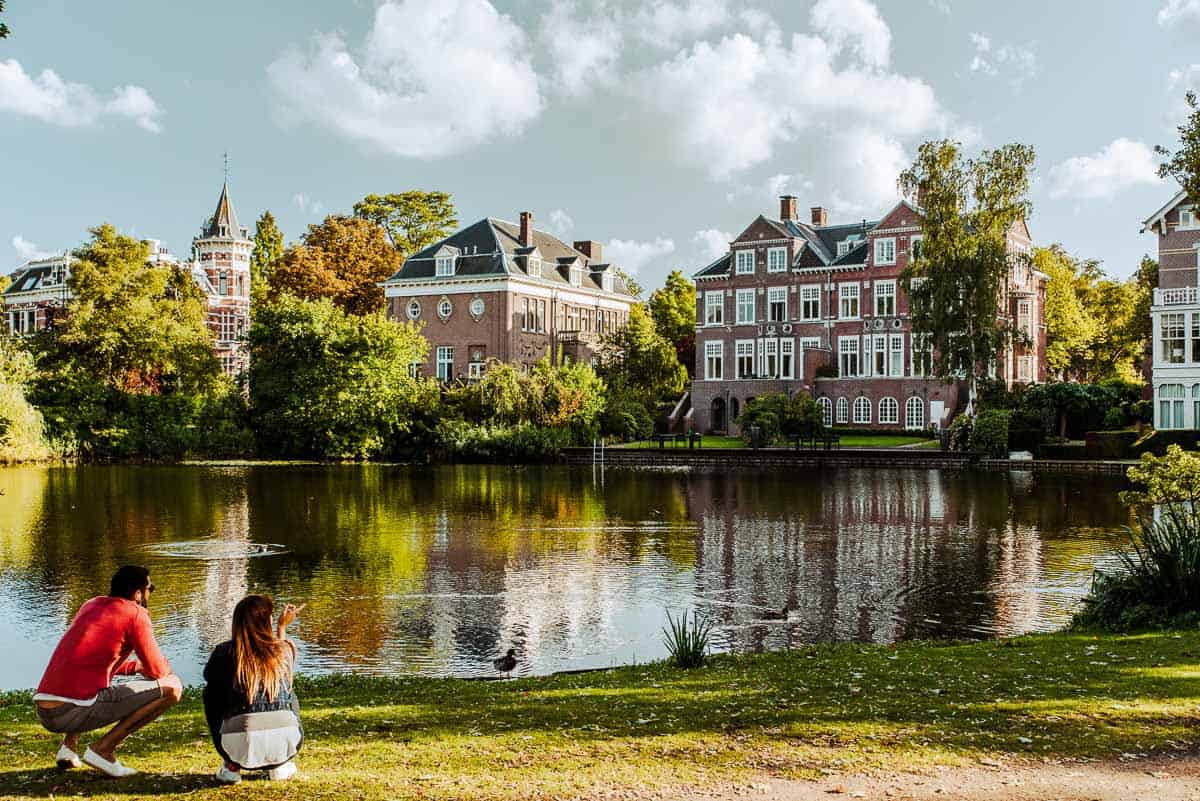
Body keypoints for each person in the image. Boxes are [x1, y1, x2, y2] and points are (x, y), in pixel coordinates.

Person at [33, 565, 184, 778]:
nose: (151, 592)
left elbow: (90, 660)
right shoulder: (136, 614)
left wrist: (134, 667)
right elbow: (159, 672)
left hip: (45, 710)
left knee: (84, 680)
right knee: (173, 687)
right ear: (138, 593)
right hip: (71, 712)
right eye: (151, 588)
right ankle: (103, 750)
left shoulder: (91, 605)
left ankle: (68, 748)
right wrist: (163, 670)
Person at [203, 595, 304, 784]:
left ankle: (231, 767)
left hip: (237, 747)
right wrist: (282, 628)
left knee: (211, 693)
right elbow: (284, 663)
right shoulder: (284, 649)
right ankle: (279, 765)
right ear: (267, 621)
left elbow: (210, 680)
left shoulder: (224, 652)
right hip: (287, 745)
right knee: (287, 692)